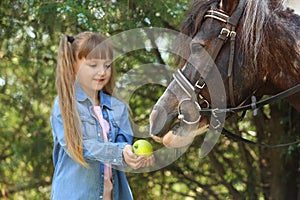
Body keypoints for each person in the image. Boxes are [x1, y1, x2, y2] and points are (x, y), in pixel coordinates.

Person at [50, 32, 154, 200]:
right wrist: (119, 151)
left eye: (107, 65)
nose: (102, 72)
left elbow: (123, 146)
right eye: (93, 65)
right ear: (73, 65)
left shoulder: (118, 107)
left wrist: (132, 157)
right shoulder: (64, 105)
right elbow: (80, 147)